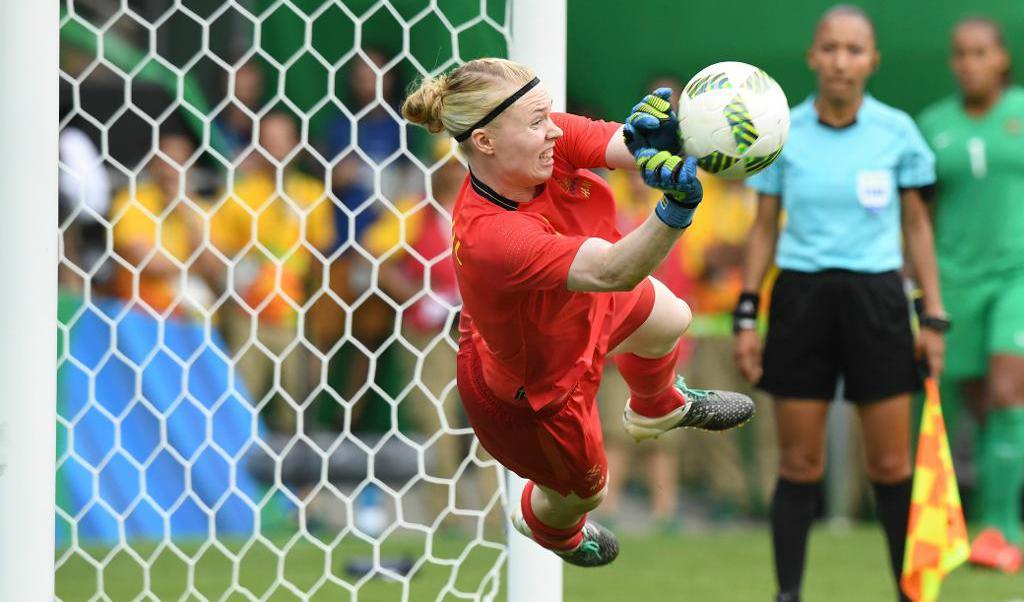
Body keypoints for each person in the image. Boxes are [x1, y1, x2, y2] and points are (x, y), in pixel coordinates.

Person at [402, 57, 755, 567]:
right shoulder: (492, 236)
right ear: (485, 142)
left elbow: (621, 145)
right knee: (584, 493)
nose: (554, 130)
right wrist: (675, 211)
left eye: (549, 116)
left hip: (580, 306)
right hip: (538, 394)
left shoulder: (534, 141)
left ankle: (656, 407)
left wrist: (660, 135)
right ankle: (547, 525)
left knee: (672, 318)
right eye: (538, 122)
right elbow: (614, 271)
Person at [733, 6, 944, 601]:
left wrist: (931, 317)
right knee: (800, 465)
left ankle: (910, 593)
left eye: (855, 50)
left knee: (891, 467)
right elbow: (764, 226)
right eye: (830, 48)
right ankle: (788, 594)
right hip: (801, 299)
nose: (841, 61)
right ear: (812, 57)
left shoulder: (898, 131)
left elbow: (918, 230)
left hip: (878, 300)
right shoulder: (782, 132)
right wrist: (748, 314)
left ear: (873, 60)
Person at [918, 17, 1024, 574]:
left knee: (1010, 392)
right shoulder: (933, 125)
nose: (969, 63)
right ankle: (985, 520)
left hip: (1017, 276)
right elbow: (919, 217)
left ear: (1001, 59)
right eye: (960, 53)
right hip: (957, 281)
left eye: (981, 52)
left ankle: (1002, 531)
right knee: (980, 406)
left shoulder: (1022, 113)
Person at [210, 112, 335, 434]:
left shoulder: (313, 195)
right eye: (268, 140)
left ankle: (297, 482)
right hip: (246, 316)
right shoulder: (240, 195)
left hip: (294, 319)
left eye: (283, 139)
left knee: (297, 407)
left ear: (296, 145)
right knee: (239, 400)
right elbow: (216, 253)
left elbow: (321, 261)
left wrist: (319, 331)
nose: (277, 148)